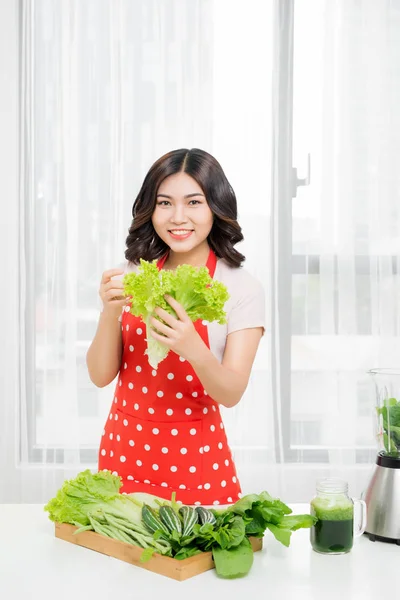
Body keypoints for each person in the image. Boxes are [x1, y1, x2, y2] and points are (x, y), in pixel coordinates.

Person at [86, 148, 265, 506]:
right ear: (150, 209)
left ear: (216, 206)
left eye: (194, 202)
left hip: (195, 465)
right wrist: (109, 313)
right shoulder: (135, 273)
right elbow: (100, 375)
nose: (178, 217)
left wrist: (193, 349)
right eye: (165, 203)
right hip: (124, 453)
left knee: (192, 560)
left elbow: (230, 394)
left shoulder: (241, 287)